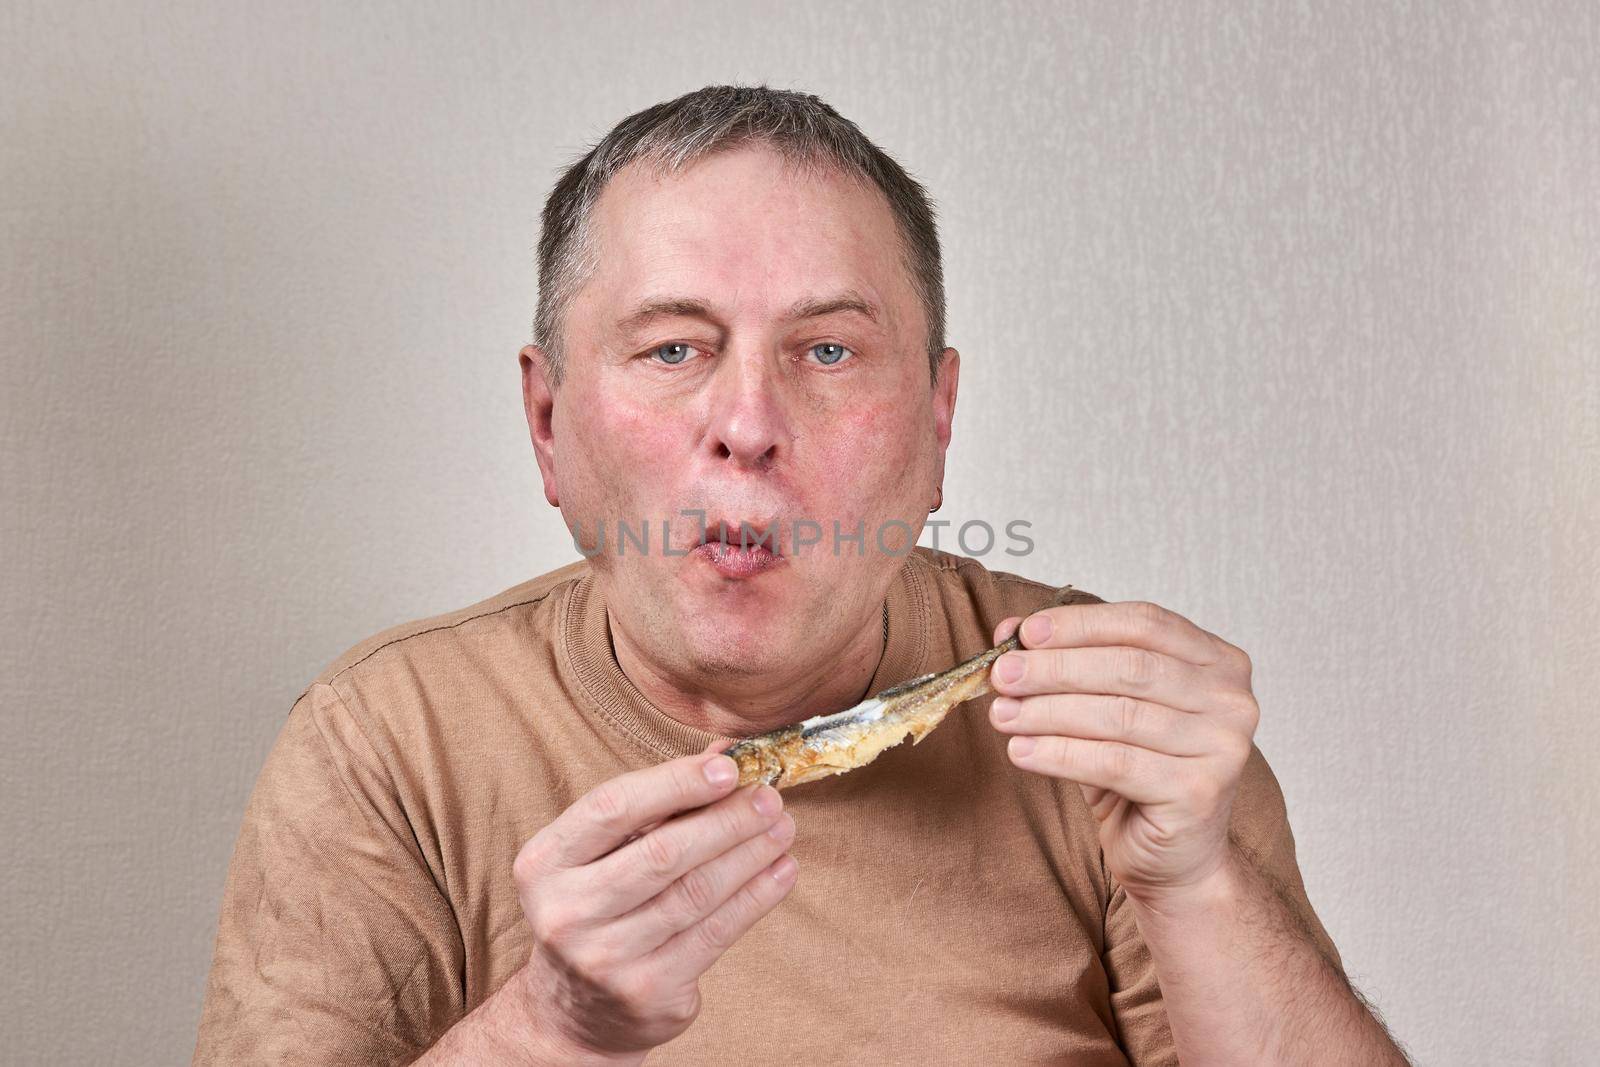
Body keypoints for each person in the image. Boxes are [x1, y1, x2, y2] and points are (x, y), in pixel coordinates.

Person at [193, 85, 1410, 1065]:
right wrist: (549, 1030)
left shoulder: (1110, 721)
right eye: (674, 347)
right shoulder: (384, 742)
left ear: (937, 421)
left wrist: (1192, 879)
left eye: (827, 349)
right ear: (550, 422)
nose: (749, 421)